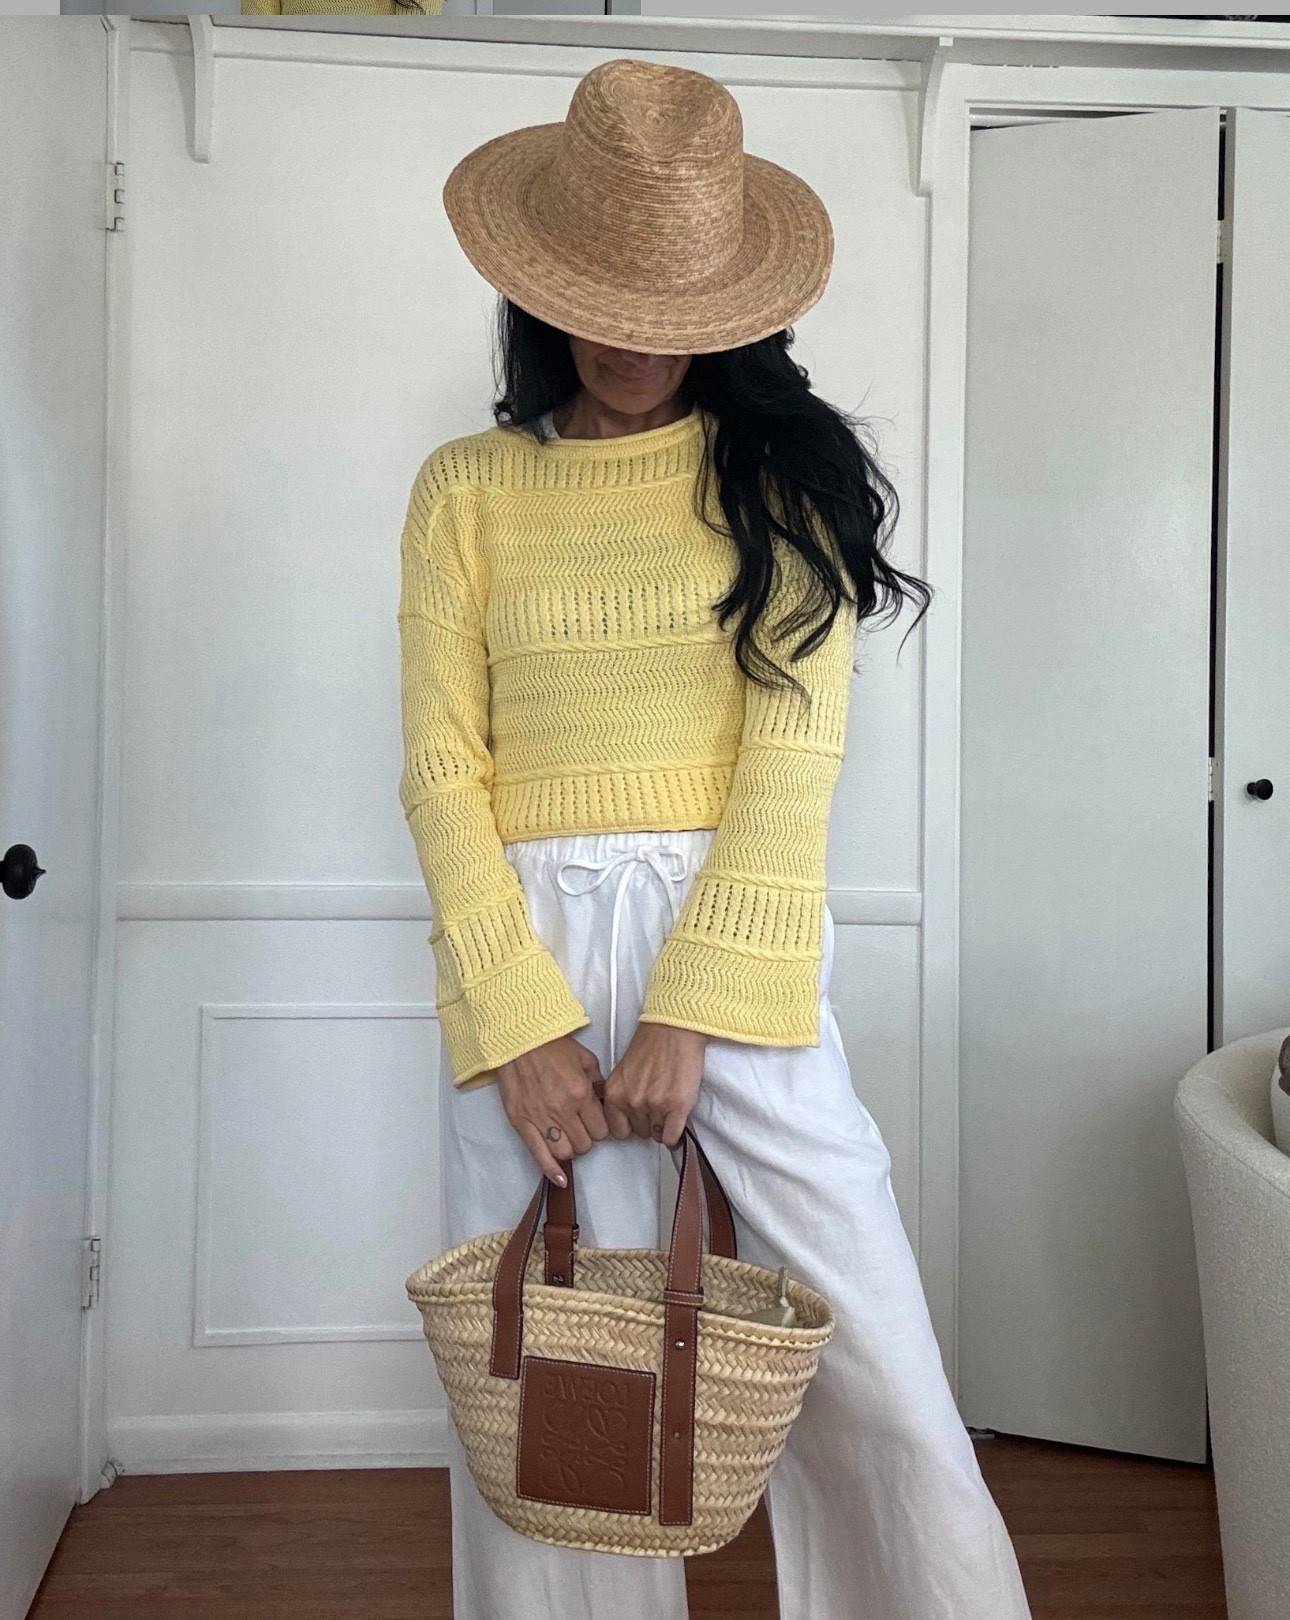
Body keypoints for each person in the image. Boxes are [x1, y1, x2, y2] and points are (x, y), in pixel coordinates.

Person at [397, 54, 1033, 1620]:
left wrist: (688, 1010)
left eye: (670, 304)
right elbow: (441, 765)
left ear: (733, 308)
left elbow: (791, 761)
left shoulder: (778, 481)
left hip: (730, 941)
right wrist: (518, 1021)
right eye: (599, 298)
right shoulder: (465, 488)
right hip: (519, 945)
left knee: (867, 1341)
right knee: (560, 1371)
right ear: (541, 292)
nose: (632, 337)